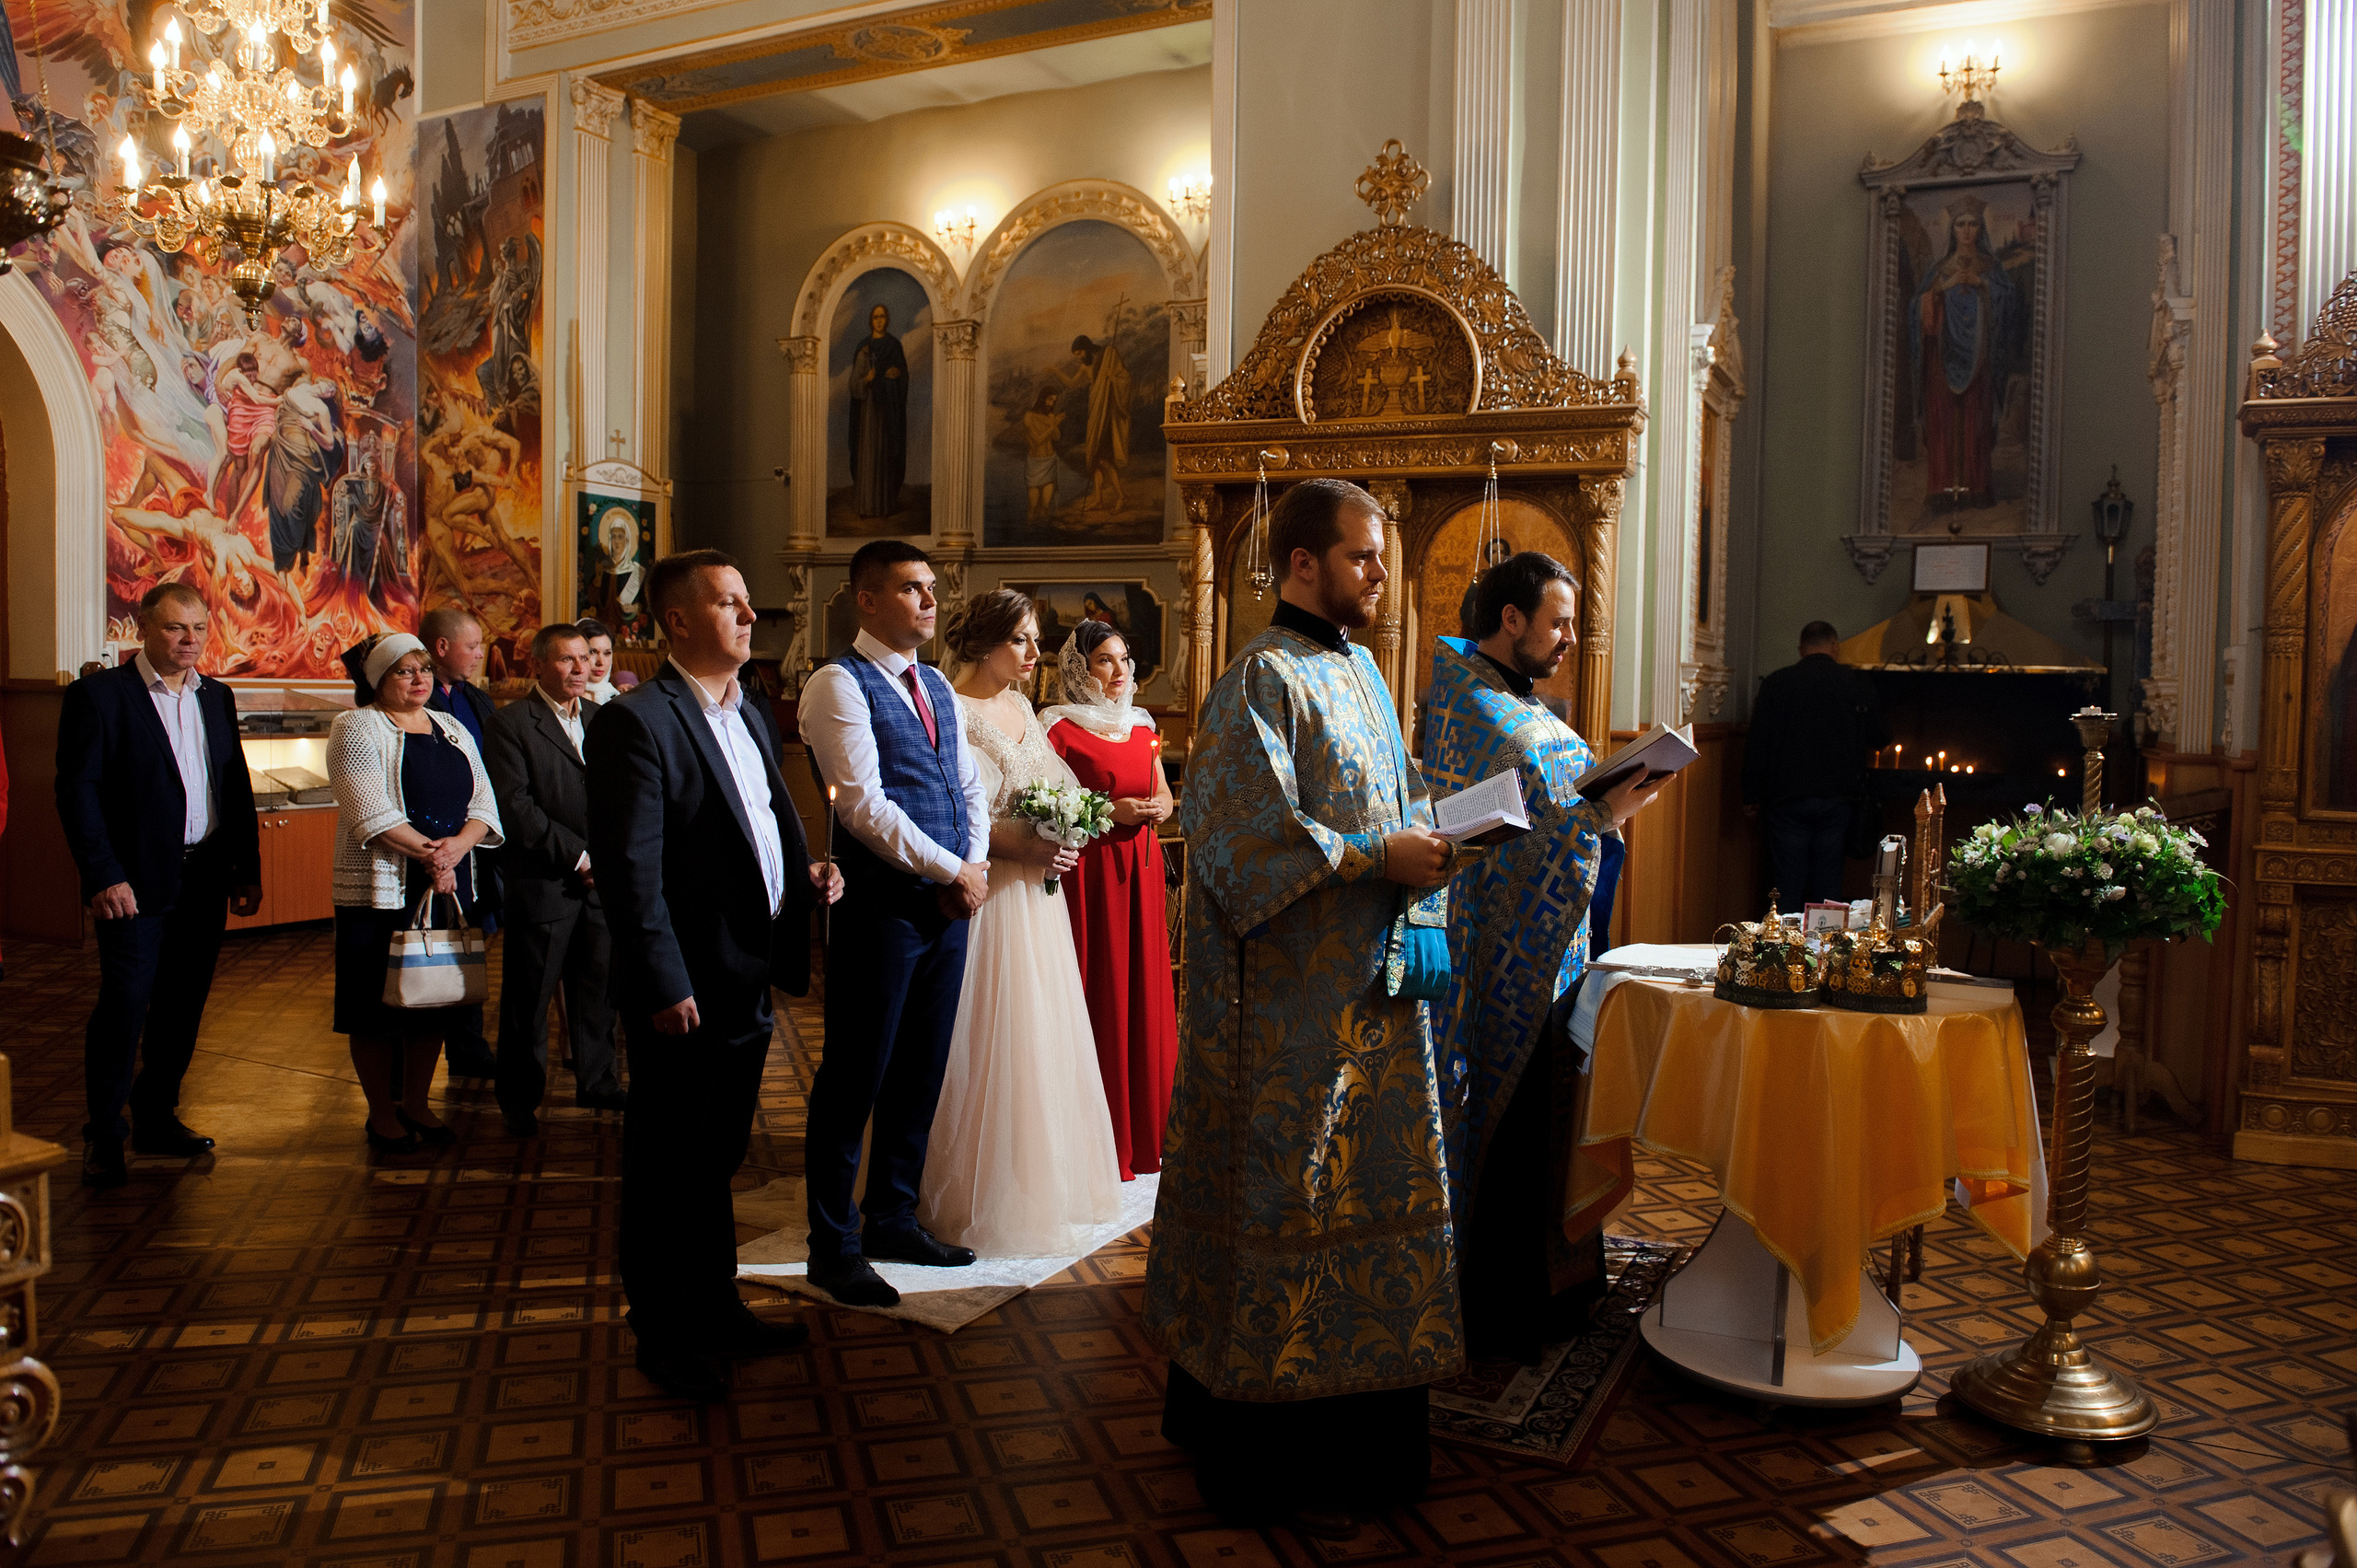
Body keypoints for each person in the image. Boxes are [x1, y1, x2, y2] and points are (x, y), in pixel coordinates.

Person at [1142, 478, 1457, 1537]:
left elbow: (1395, 794)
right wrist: (1382, 852)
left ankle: (1366, 1438)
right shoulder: (1259, 677)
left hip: (1372, 993)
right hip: (1288, 1021)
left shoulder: (1363, 668)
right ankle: (1261, 1448)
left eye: (1382, 557)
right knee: (1288, 1199)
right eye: (1363, 555)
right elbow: (1238, 843)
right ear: (1302, 563)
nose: (1380, 575)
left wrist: (1438, 832)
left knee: (1365, 1199)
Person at [586, 550, 842, 1400]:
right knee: (667, 1162)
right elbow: (632, 868)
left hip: (746, 972)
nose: (747, 614)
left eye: (746, 600)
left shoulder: (752, 711)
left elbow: (756, 818)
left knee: (718, 1153)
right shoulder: (640, 720)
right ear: (679, 620)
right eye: (728, 602)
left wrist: (801, 874)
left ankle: (716, 1304)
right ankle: (663, 1330)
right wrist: (661, 982)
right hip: (686, 985)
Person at [1424, 552, 1665, 1365]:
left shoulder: (1513, 701)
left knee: (1550, 1114)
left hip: (1555, 952)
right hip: (1497, 960)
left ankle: (1561, 1283)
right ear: (1511, 619)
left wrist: (1599, 811)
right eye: (1557, 622)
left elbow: (1548, 809)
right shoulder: (1477, 708)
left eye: (1572, 622)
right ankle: (1505, 1302)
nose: (1568, 638)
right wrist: (1594, 813)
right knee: (1515, 1121)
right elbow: (1498, 830)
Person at [797, 540, 992, 1309]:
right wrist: (954, 870)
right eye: (913, 588)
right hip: (882, 909)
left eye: (933, 589)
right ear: (867, 599)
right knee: (855, 1076)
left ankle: (893, 1217)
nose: (930, 601)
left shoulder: (937, 682)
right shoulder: (835, 684)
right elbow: (863, 805)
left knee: (921, 1069)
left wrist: (970, 869)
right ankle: (831, 1244)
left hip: (949, 904)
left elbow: (967, 782)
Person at [917, 590, 1122, 1254]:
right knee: (980, 1040)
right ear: (982, 643)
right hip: (985, 900)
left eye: (1036, 640)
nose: (1036, 654)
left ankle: (1036, 1180)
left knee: (1037, 1035)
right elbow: (953, 814)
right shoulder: (950, 706)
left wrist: (1071, 830)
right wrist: (1024, 845)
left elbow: (1054, 785)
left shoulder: (1022, 708)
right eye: (1022, 641)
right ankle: (954, 1190)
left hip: (1036, 900)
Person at [56, 585, 263, 1188]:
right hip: (132, 881)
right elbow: (78, 793)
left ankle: (155, 1114)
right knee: (124, 1002)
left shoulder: (216, 697)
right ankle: (104, 1133)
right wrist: (101, 874)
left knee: (182, 1003)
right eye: (176, 628)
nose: (190, 640)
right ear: (144, 627)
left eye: (199, 628)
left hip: (204, 876)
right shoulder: (99, 697)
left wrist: (245, 868)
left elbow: (235, 787)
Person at [325, 633, 504, 1156]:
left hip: (446, 888)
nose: (420, 678)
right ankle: (382, 1113)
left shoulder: (449, 727)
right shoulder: (355, 726)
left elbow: (485, 804)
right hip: (382, 891)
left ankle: (418, 1104)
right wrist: (434, 856)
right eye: (404, 671)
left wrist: (455, 851)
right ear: (379, 680)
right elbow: (369, 812)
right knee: (374, 1009)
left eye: (424, 668)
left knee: (434, 1004)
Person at [1041, 619, 1177, 1180]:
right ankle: (1096, 1139)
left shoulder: (1143, 726)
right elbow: (1044, 807)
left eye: (1124, 659)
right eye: (1105, 660)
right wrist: (1109, 812)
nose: (1120, 672)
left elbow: (1162, 791)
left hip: (1140, 874)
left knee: (1142, 990)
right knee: (1100, 986)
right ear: (1079, 668)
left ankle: (1145, 1133)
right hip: (1090, 876)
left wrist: (1160, 809)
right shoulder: (1057, 730)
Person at [483, 622, 624, 1138]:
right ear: (538, 665)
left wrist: (609, 859)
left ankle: (599, 1082)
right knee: (529, 999)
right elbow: (516, 808)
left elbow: (621, 797)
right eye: (566, 660)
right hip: (545, 882)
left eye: (585, 659)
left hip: (602, 884)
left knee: (597, 992)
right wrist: (580, 858)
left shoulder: (604, 718)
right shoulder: (513, 724)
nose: (579, 669)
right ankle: (519, 1098)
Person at [1743, 621, 1890, 910]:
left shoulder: (1776, 683)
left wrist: (1751, 795)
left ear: (1801, 648)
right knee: (1827, 884)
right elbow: (1881, 736)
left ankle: (1783, 945)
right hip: (1839, 797)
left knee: (1786, 882)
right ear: (1834, 646)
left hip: (1787, 796)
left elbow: (1758, 742)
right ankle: (1822, 948)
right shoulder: (1855, 682)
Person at [421, 605, 502, 1077]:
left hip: (477, 841)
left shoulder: (476, 699)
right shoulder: (414, 696)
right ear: (442, 647)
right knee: (430, 947)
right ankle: (414, 1062)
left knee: (470, 942)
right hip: (430, 845)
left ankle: (468, 1047)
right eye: (472, 646)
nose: (479, 655)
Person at [849, 302, 909, 518]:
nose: (880, 320)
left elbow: (902, 375)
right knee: (868, 455)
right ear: (870, 321)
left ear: (888, 319)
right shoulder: (864, 348)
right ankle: (867, 506)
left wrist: (896, 375)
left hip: (887, 412)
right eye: (876, 317)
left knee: (885, 454)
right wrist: (867, 379)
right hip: (868, 413)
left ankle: (884, 505)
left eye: (883, 316)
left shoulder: (894, 346)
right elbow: (853, 384)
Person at [578, 617, 621, 704]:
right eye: (592, 652)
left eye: (607, 653)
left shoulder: (614, 697)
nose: (601, 662)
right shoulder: (566, 700)